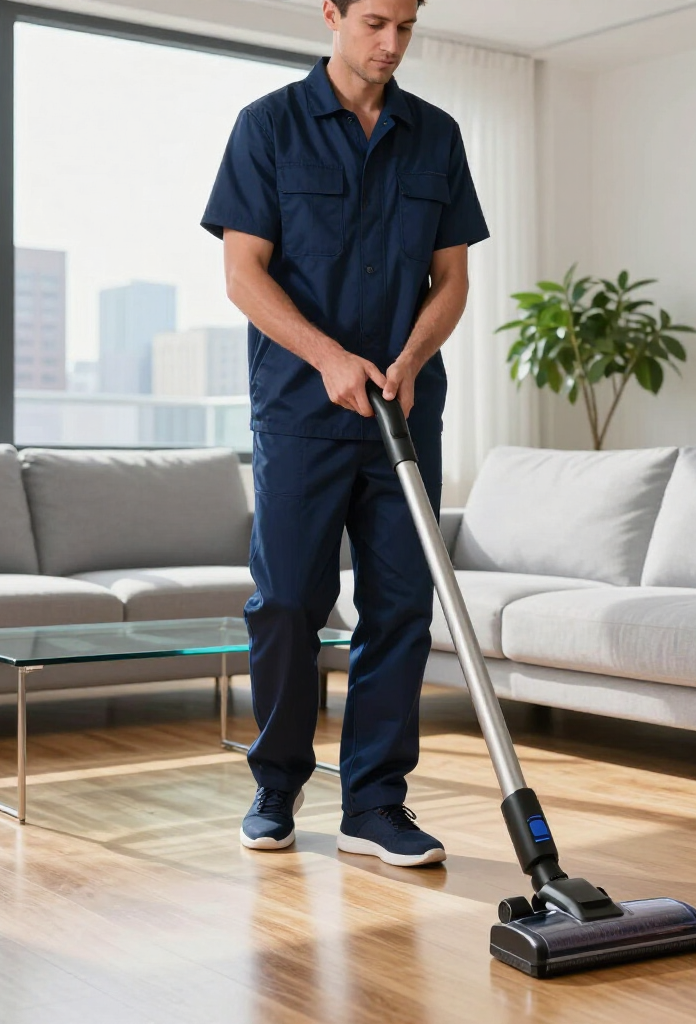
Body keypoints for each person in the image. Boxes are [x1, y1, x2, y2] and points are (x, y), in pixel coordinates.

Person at [201, 0, 488, 867]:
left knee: (400, 605)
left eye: (406, 26)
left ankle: (374, 804)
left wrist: (409, 355)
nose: (390, 44)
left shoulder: (435, 135)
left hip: (405, 409)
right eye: (374, 22)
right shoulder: (269, 127)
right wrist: (330, 358)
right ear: (330, 13)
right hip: (301, 412)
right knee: (288, 601)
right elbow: (243, 276)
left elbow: (452, 279)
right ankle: (277, 786)